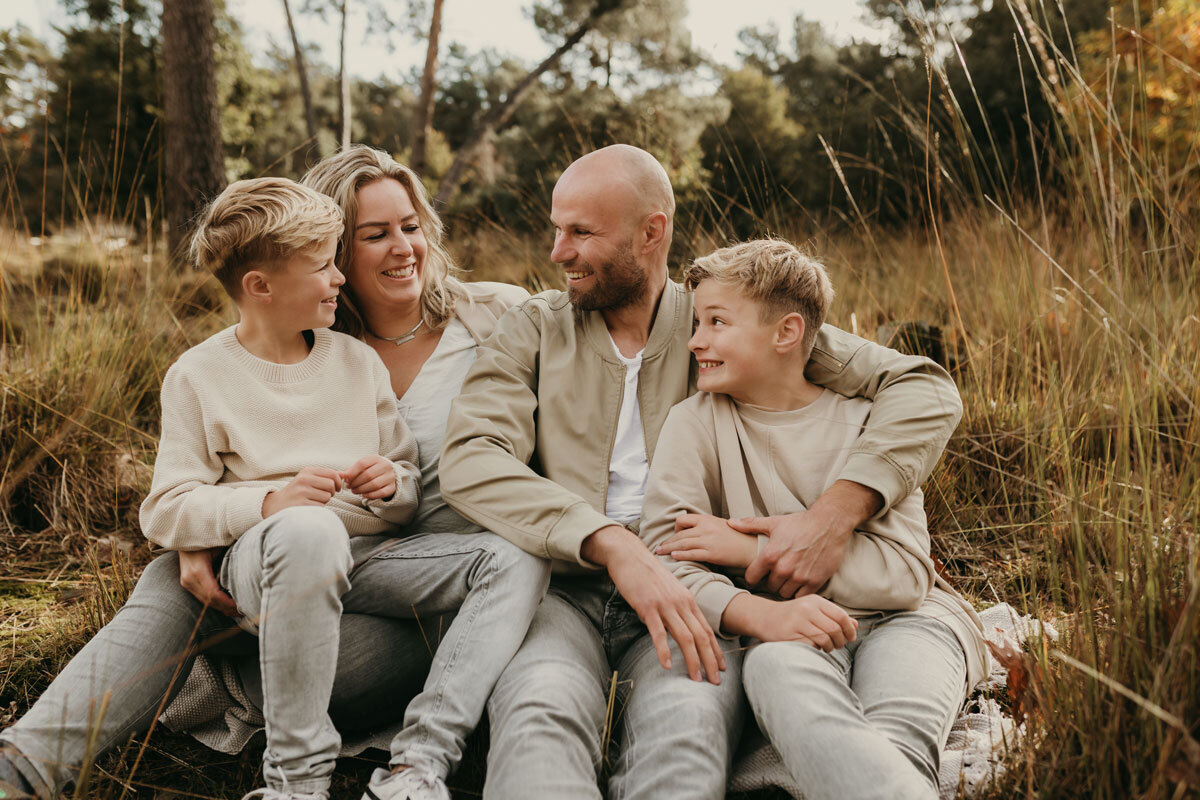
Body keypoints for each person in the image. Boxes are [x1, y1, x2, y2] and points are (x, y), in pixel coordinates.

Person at [0, 149, 548, 800]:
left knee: (501, 564)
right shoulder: (278, 347)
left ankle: (394, 758)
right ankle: (26, 767)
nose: (405, 247)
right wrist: (227, 525)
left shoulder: (496, 319)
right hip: (272, 581)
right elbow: (185, 494)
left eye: (411, 224)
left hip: (409, 603)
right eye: (374, 235)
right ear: (327, 252)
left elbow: (599, 378)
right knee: (185, 572)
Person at [438, 144, 968, 799]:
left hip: (696, 592)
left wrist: (830, 518)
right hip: (566, 588)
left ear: (650, 232)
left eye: (580, 232)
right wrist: (608, 541)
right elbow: (470, 458)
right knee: (539, 711)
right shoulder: (536, 328)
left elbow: (922, 388)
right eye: (556, 229)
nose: (557, 252)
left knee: (687, 729)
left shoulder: (721, 327)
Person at [640, 238, 988, 799]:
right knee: (775, 674)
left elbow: (902, 577)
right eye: (697, 322)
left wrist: (747, 551)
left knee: (896, 736)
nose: (695, 340)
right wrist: (756, 610)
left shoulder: (870, 423)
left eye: (717, 322)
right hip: (786, 627)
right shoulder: (693, 424)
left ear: (787, 333)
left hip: (910, 623)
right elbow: (665, 556)